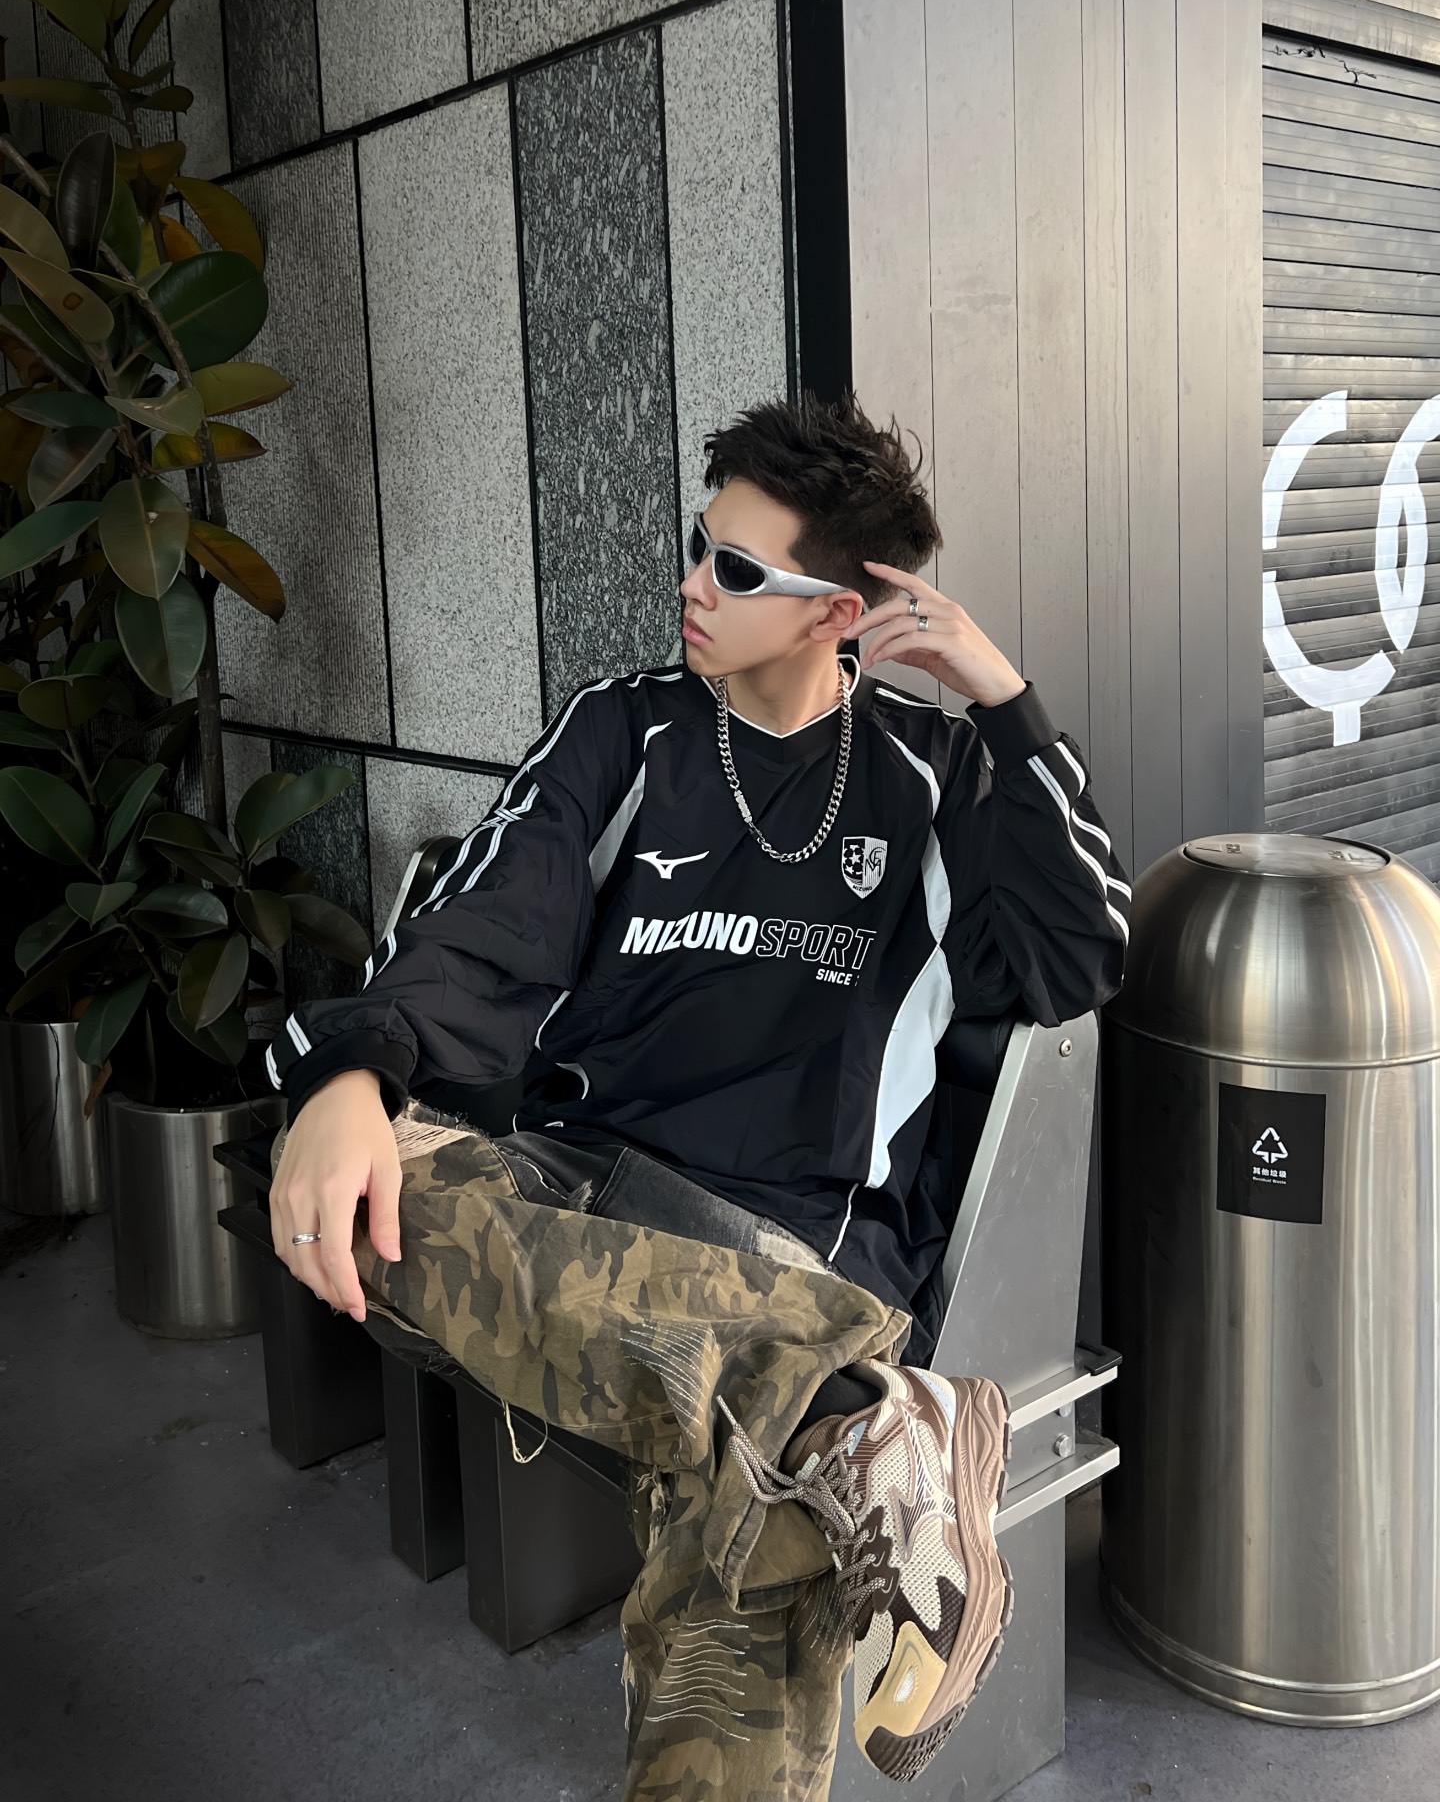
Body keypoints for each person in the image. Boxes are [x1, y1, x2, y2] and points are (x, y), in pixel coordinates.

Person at [263, 388, 1130, 1799]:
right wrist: (355, 1072)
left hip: (793, 1240)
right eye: (697, 545)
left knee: (744, 1521)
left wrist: (1004, 700)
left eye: (734, 568)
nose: (692, 584)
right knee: (371, 1183)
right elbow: (485, 918)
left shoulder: (936, 774)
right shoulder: (626, 732)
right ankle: (851, 1420)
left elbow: (1081, 951)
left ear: (835, 610)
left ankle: (821, 1413)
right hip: (581, 1198)